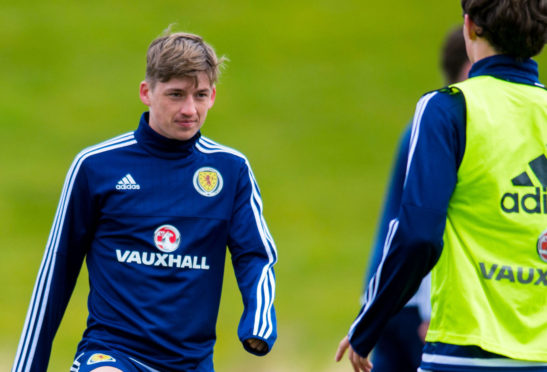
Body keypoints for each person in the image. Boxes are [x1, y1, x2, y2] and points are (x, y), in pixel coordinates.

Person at [12, 30, 277, 372]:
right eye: (175, 95)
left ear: (213, 95)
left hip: (190, 363)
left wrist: (259, 322)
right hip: (112, 354)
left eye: (200, 95)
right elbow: (56, 271)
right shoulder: (96, 166)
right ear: (146, 92)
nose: (189, 109)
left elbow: (255, 255)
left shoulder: (231, 170)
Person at [336, 1, 547, 371]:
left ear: (470, 27)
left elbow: (417, 235)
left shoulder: (448, 108)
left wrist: (367, 324)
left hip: (466, 354)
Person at [361, 26, 470, 372]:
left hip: (389, 290)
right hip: (416, 299)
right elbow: (426, 225)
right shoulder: (449, 124)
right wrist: (429, 309)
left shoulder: (424, 124)